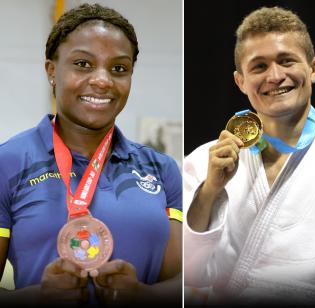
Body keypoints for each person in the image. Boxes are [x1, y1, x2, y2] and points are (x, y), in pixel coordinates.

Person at [0, 3, 182, 306]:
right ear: (51, 71)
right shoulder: (9, 162)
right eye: (83, 64)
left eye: (119, 68)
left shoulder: (161, 169)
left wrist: (144, 295)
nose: (102, 80)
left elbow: (182, 284)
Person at [184, 6, 315, 307]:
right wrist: (210, 190)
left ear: (314, 68)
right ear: (240, 81)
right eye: (259, 67)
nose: (275, 76)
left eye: (286, 61)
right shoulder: (204, 160)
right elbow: (190, 273)